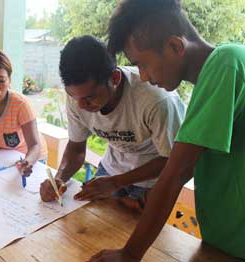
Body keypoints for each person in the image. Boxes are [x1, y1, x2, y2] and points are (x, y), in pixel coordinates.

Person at [86, 0, 245, 261]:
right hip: (223, 242)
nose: (144, 77)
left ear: (174, 46)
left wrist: (129, 254)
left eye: (142, 64)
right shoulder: (212, 82)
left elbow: (176, 172)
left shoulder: (226, 63)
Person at [39, 35, 185, 212]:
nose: (81, 106)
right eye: (73, 96)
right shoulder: (79, 97)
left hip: (152, 180)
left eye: (89, 97)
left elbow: (173, 161)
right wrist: (60, 177)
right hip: (110, 170)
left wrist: (117, 182)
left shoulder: (157, 100)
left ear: (114, 79)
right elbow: (76, 148)